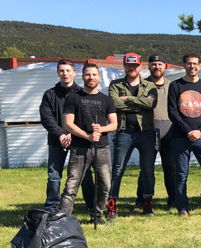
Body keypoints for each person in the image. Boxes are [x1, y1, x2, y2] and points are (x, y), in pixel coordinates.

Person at [59, 64, 117, 224]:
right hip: (79, 149)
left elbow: (114, 124)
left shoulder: (106, 99)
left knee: (104, 184)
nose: (91, 77)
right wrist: (87, 136)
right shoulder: (73, 98)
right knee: (72, 185)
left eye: (94, 75)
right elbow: (68, 124)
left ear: (98, 77)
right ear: (82, 76)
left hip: (102, 148)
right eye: (87, 75)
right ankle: (63, 220)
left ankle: (97, 214)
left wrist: (101, 128)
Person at [40, 59, 96, 212]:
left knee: (84, 175)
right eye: (62, 71)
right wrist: (60, 134)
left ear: (74, 73)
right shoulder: (49, 94)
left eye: (68, 71)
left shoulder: (82, 94)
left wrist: (72, 134)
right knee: (54, 176)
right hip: (56, 140)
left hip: (79, 140)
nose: (65, 74)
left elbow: (86, 117)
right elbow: (46, 117)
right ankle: (51, 208)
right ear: (58, 73)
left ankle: (91, 206)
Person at [168, 53, 201, 218]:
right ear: (184, 65)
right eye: (189, 64)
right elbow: (172, 112)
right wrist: (187, 131)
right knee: (181, 174)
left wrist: (199, 130)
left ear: (200, 66)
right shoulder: (175, 86)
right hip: (180, 137)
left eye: (195, 64)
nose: (192, 66)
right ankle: (183, 208)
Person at [108, 53, 158, 216]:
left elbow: (151, 104)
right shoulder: (115, 85)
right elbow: (114, 104)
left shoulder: (150, 86)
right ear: (124, 66)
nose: (132, 68)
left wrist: (128, 99)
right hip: (124, 133)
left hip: (146, 133)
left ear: (140, 66)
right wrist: (139, 104)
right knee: (117, 170)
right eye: (129, 65)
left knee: (148, 170)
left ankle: (147, 204)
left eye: (135, 65)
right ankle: (111, 206)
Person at [143, 55, 175, 209]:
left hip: (169, 131)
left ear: (165, 66)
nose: (157, 67)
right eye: (153, 64)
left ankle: (173, 200)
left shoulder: (172, 86)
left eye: (160, 64)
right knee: (146, 169)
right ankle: (142, 201)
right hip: (148, 131)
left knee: (171, 169)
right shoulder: (143, 85)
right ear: (149, 66)